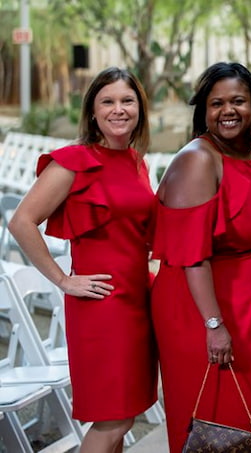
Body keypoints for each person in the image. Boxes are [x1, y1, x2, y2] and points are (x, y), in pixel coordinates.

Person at [8, 67, 158, 453]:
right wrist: (63, 280)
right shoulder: (74, 161)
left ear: (139, 108)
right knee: (114, 418)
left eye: (127, 101)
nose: (118, 109)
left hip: (138, 301)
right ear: (92, 111)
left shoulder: (137, 162)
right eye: (107, 101)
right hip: (102, 305)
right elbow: (21, 222)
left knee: (125, 415)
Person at [150, 62, 251, 453]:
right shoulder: (198, 160)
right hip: (205, 307)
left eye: (238, 101)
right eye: (216, 104)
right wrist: (214, 325)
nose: (227, 111)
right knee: (217, 418)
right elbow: (191, 255)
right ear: (204, 112)